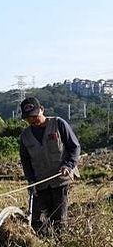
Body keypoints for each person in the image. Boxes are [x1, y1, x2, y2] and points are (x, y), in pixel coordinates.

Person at [19, 96, 81, 235]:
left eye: (34, 116)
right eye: (28, 118)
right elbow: (26, 160)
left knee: (59, 219)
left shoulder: (58, 124)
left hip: (60, 180)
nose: (32, 120)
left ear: (42, 110)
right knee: (37, 221)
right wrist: (30, 181)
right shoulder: (25, 136)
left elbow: (74, 147)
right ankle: (43, 246)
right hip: (40, 183)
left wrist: (68, 165)